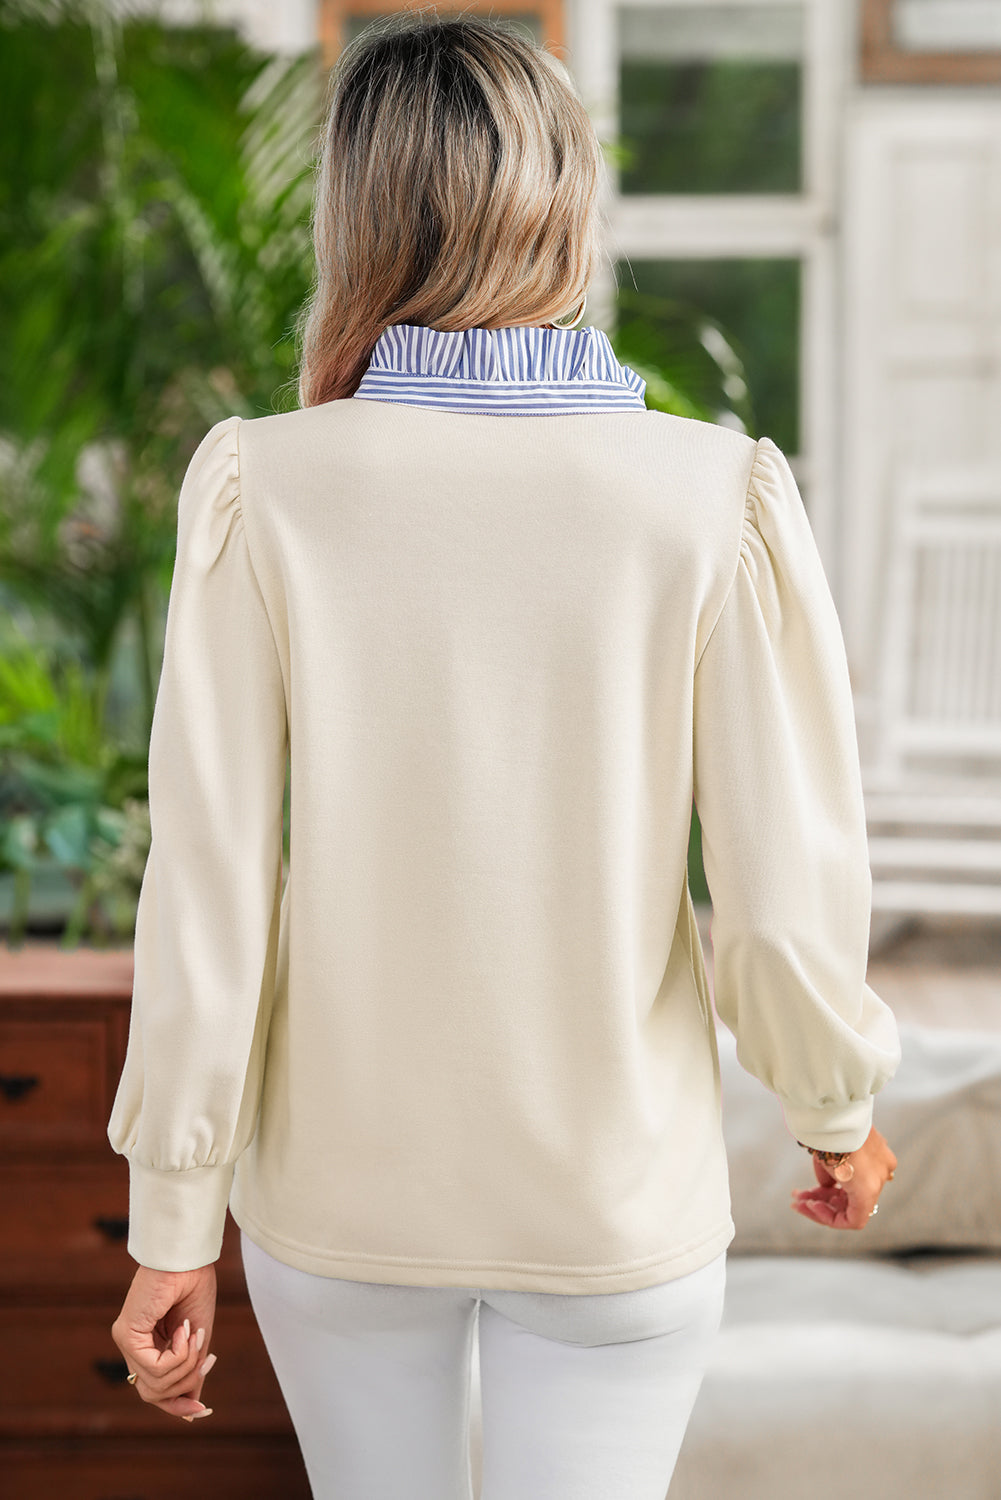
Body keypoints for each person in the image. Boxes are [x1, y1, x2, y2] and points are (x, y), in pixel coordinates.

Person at [108, 13, 900, 1499]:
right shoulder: (710, 494)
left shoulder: (259, 488)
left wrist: (173, 1221)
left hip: (339, 1207)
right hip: (611, 1212)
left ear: (358, 216)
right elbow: (779, 893)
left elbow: (207, 898)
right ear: (564, 201)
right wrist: (832, 1111)